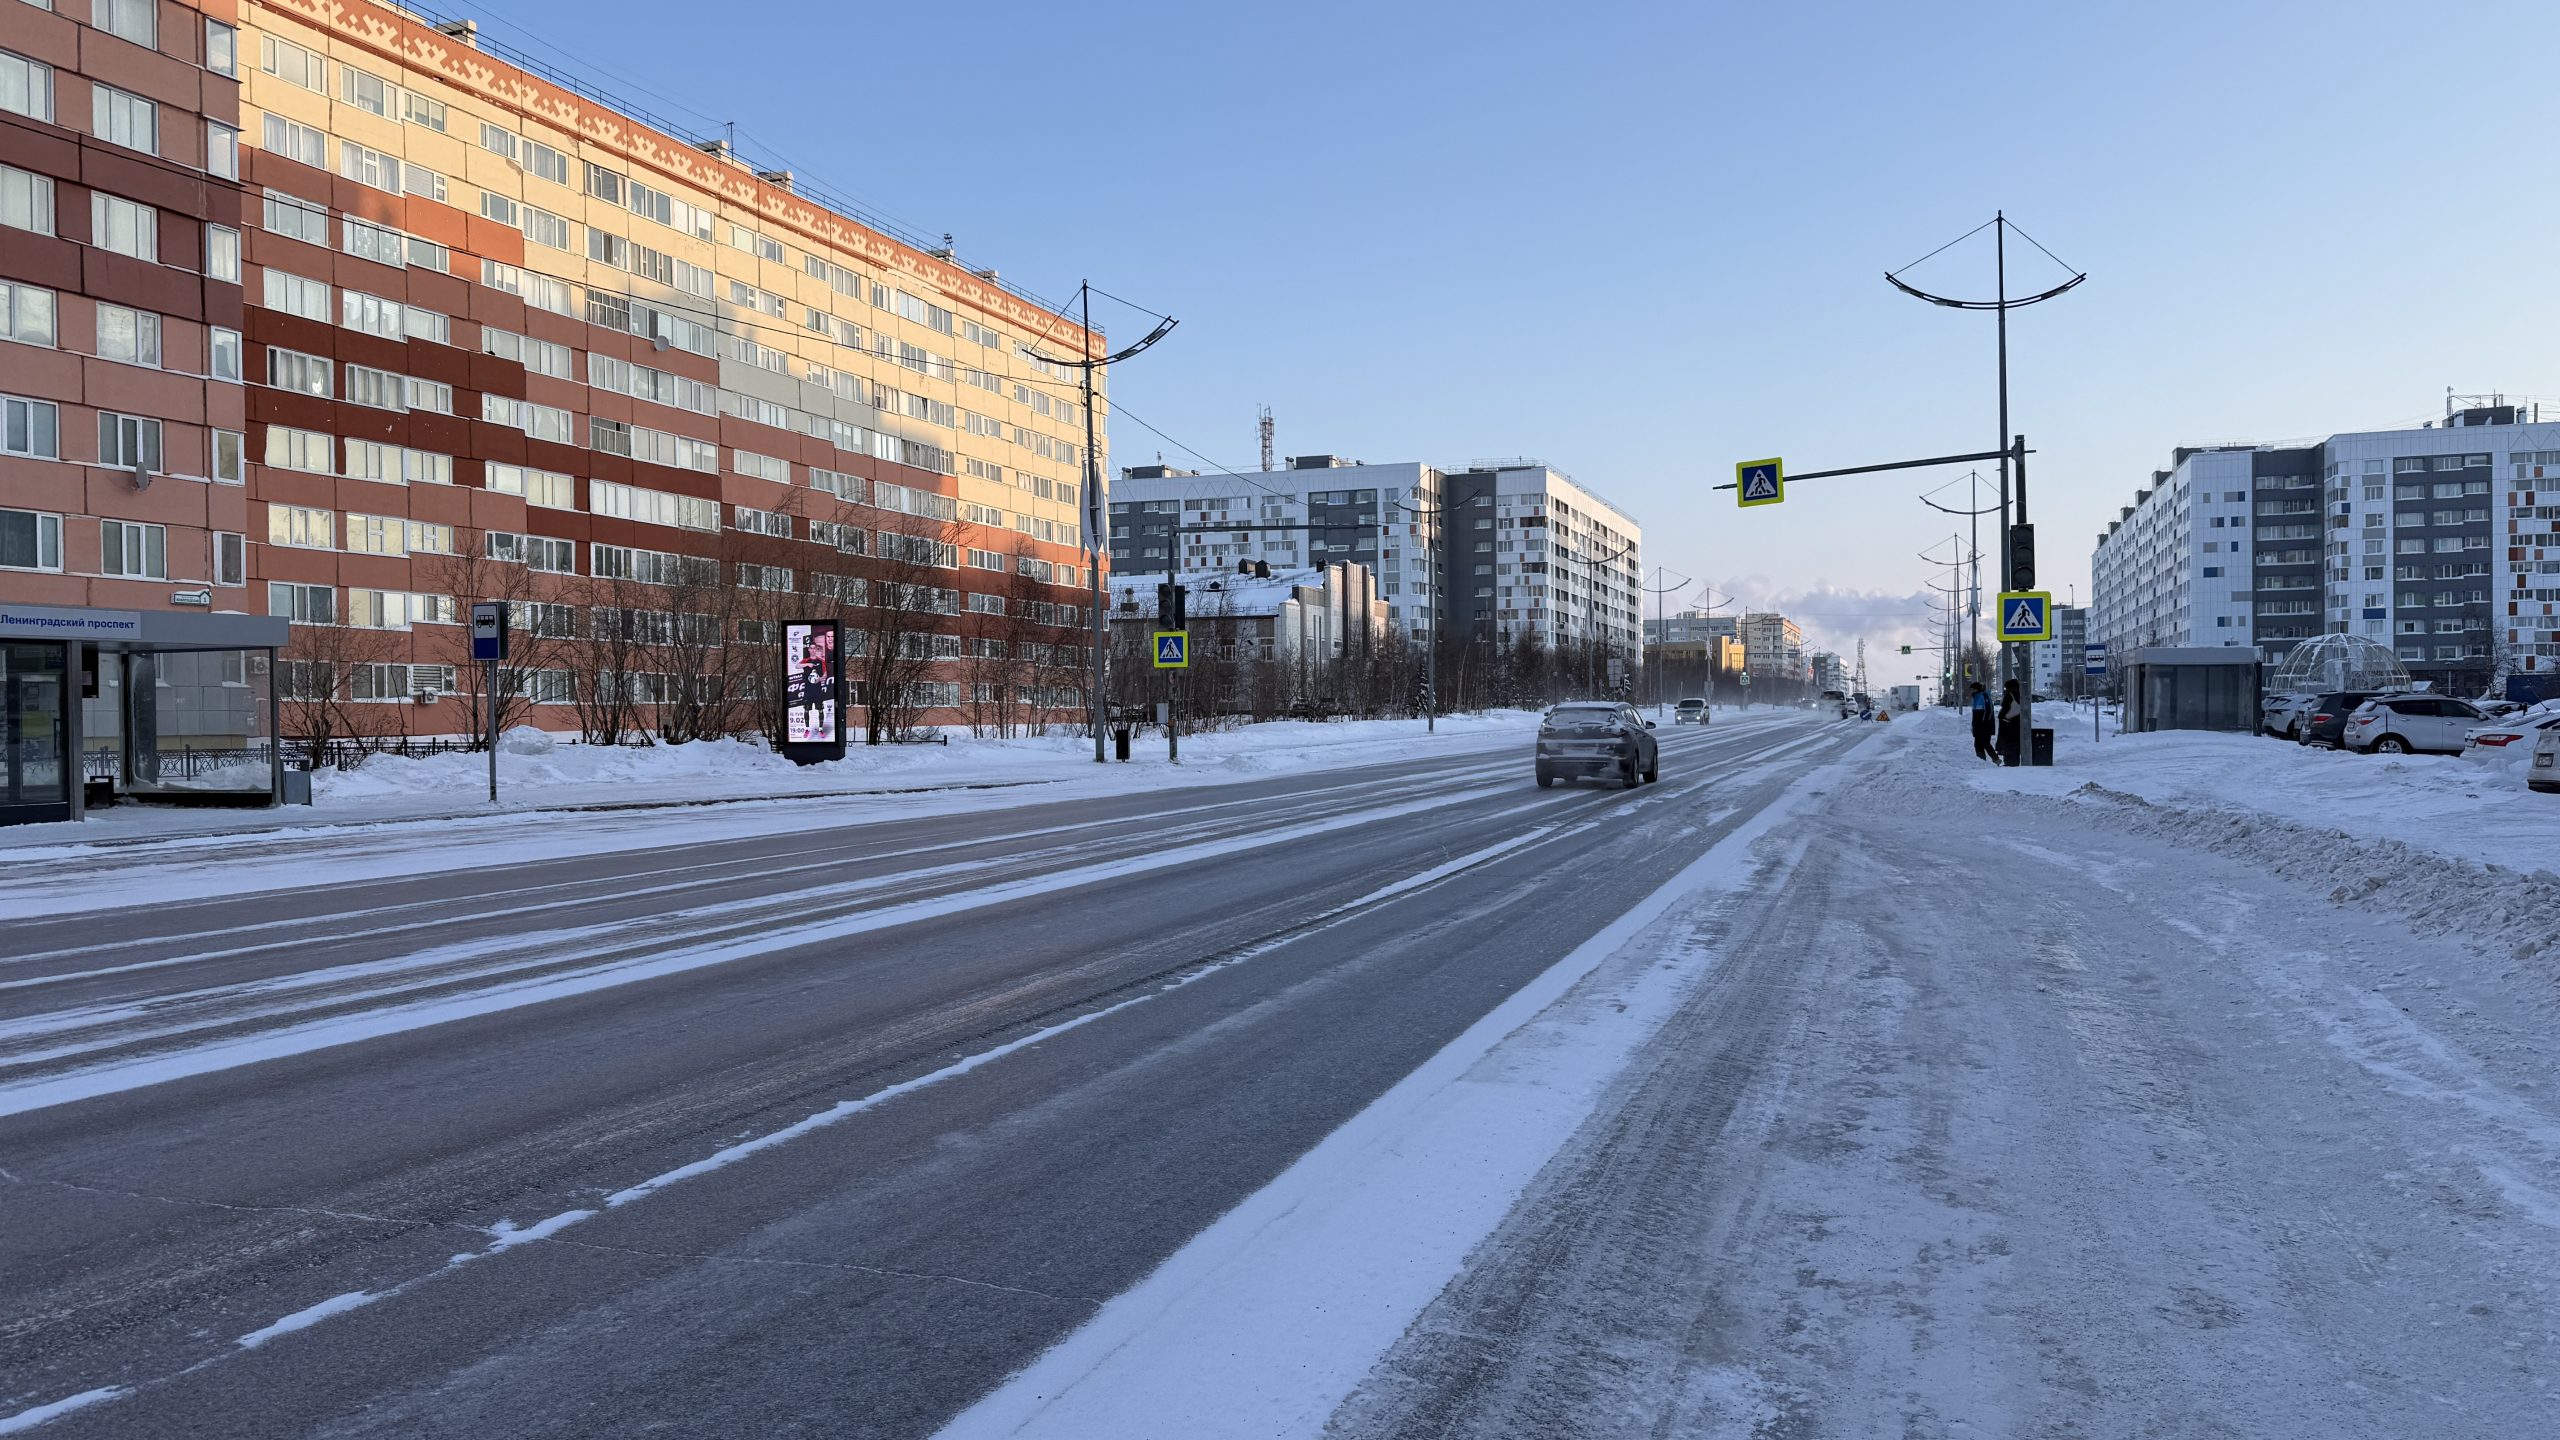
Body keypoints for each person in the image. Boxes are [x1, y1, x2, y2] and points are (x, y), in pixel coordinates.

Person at [1998, 679, 2024, 766]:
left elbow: (2005, 709)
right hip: (2018, 722)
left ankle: (2009, 762)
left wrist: (2001, 717)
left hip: (2008, 723)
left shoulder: (2009, 695)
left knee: (2008, 744)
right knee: (2016, 744)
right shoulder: (2021, 694)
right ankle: (2015, 761)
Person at [1969, 681, 1996, 762]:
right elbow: (1975, 713)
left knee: (1985, 743)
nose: (1972, 691)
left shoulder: (1984, 696)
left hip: (1985, 725)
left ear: (1977, 689)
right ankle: (1981, 761)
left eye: (1973, 689)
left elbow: (1989, 711)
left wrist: (1984, 723)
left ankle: (1996, 760)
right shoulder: (1976, 697)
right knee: (1978, 744)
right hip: (1978, 725)